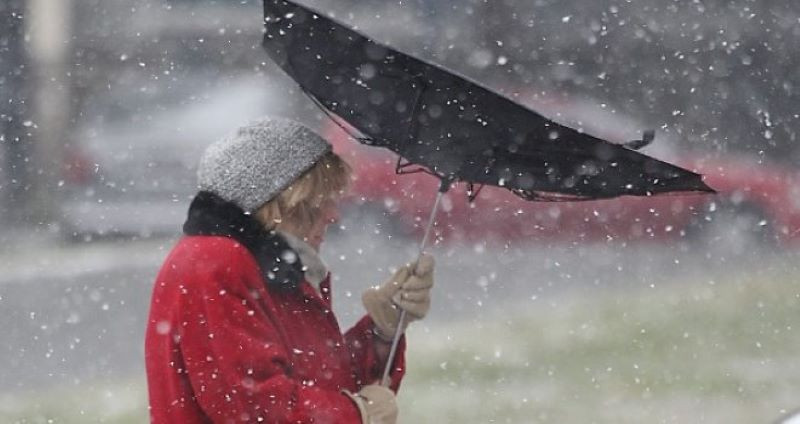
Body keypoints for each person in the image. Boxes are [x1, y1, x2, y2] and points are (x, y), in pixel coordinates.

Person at [145, 117, 435, 423]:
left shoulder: (272, 267)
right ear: (284, 202)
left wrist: (380, 332)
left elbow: (321, 377)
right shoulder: (216, 261)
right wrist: (355, 414)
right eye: (322, 201)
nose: (333, 216)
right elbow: (251, 403)